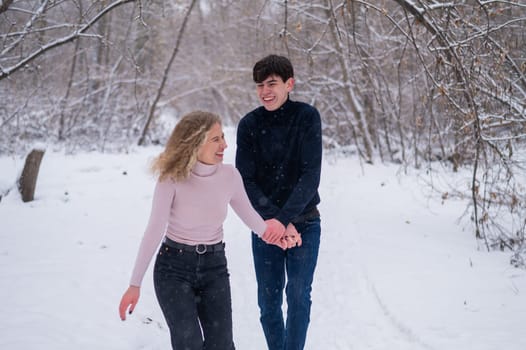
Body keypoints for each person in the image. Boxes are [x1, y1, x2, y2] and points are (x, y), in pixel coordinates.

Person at [118, 111, 301, 350]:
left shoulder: (229, 177)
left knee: (221, 345)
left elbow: (252, 218)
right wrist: (135, 284)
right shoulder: (171, 178)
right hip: (173, 269)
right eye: (216, 139)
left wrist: (277, 236)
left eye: (223, 137)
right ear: (196, 142)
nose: (224, 144)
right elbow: (154, 230)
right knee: (189, 342)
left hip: (214, 268)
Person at [235, 55, 323, 350]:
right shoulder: (249, 124)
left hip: (305, 222)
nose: (264, 91)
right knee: (268, 301)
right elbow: (245, 180)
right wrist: (274, 222)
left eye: (271, 83)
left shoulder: (307, 117)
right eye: (259, 85)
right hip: (265, 226)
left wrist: (285, 220)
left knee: (299, 295)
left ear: (289, 84)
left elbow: (311, 175)